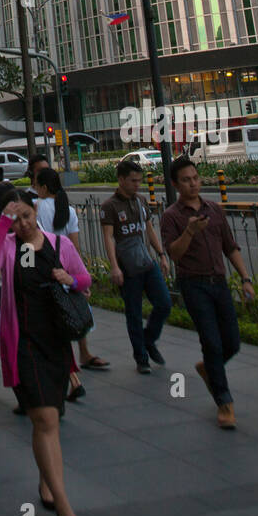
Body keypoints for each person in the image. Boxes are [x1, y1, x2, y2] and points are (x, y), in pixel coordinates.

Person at [0, 189, 91, 516]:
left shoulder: (59, 245)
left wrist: (70, 279)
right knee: (44, 418)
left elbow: (84, 279)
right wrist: (2, 223)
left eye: (27, 216)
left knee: (49, 421)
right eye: (17, 219)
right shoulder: (9, 248)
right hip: (24, 344)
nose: (23, 223)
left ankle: (47, 482)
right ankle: (62, 502)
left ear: (36, 213)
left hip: (56, 344)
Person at [160, 156, 255, 430]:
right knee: (211, 342)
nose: (193, 184)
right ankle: (224, 402)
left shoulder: (214, 209)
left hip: (220, 283)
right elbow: (174, 254)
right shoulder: (172, 216)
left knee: (232, 342)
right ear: (176, 185)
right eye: (186, 180)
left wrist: (245, 278)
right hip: (194, 285)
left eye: (195, 178)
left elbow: (230, 246)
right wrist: (189, 230)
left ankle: (208, 368)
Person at [34, 169, 109, 382]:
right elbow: (74, 246)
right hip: (67, 269)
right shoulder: (68, 210)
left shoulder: (36, 207)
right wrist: (79, 276)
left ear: (44, 187)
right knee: (75, 310)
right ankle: (84, 353)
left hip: (45, 267)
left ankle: (67, 370)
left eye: (37, 185)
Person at [100, 160, 171, 373]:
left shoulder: (141, 201)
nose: (137, 184)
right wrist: (114, 267)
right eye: (133, 180)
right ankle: (141, 358)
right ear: (121, 179)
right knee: (134, 312)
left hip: (147, 262)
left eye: (139, 180)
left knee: (164, 303)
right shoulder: (110, 206)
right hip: (127, 268)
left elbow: (149, 230)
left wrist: (161, 254)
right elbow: (108, 238)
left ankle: (148, 340)